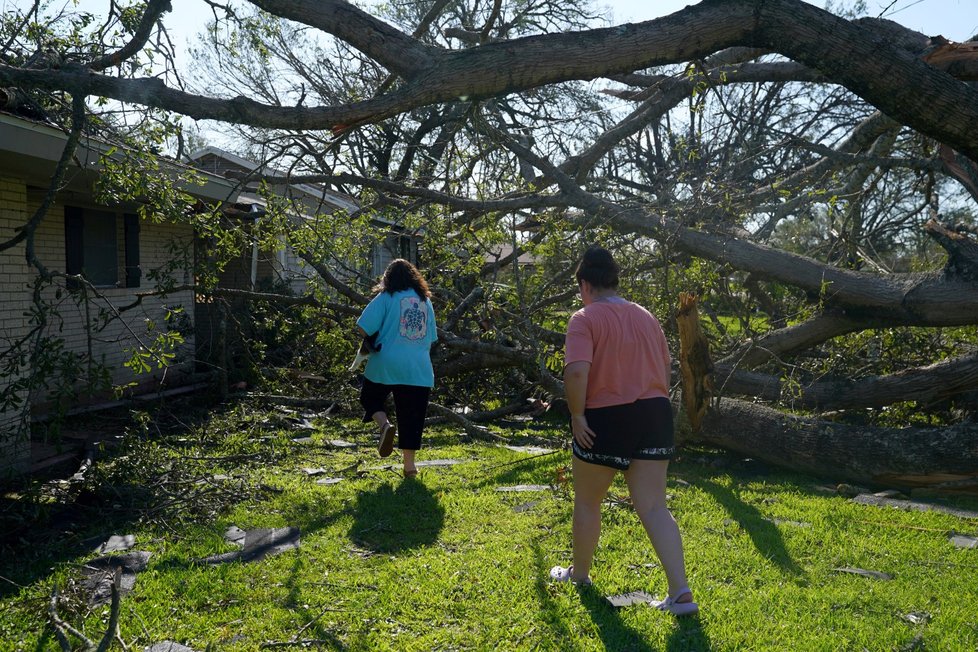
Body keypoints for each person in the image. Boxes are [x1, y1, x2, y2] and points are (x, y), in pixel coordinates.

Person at [550, 245, 697, 616]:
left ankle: (579, 576)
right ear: (615, 279)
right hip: (655, 412)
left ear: (584, 283)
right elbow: (664, 371)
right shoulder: (647, 316)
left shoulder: (583, 318)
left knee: (587, 501)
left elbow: (577, 371)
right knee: (653, 506)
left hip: (606, 416)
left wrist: (578, 415)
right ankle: (680, 592)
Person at [356, 259, 438, 478]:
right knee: (412, 417)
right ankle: (410, 468)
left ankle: (384, 425)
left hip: (386, 361)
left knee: (369, 397)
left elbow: (362, 326)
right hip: (418, 368)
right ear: (414, 277)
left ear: (388, 278)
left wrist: (374, 337)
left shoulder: (386, 297)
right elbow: (431, 337)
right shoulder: (425, 301)